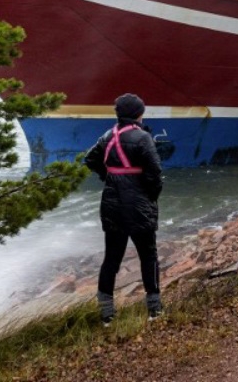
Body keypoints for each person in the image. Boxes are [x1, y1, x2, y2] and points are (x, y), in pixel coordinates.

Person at [84, 93, 164, 323]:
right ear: (139, 113)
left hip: (111, 205)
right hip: (139, 206)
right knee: (148, 256)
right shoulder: (144, 137)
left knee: (111, 259)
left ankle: (106, 314)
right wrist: (151, 195)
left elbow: (90, 159)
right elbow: (155, 173)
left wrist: (108, 178)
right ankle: (155, 310)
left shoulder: (107, 136)